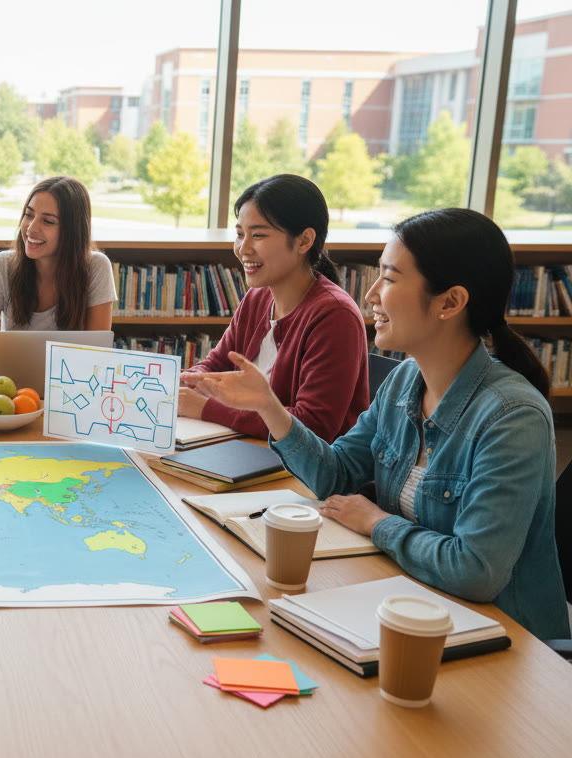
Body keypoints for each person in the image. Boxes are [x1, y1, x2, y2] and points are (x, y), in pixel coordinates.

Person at [182, 208, 569, 641]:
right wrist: (270, 408)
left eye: (389, 277)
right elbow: (337, 475)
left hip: (506, 638)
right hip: (411, 604)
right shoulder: (407, 379)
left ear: (450, 302)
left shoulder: (511, 417)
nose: (370, 295)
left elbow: (476, 570)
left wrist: (375, 522)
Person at [180, 174, 369, 442]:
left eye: (258, 235)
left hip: (305, 472)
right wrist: (185, 381)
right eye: (239, 234)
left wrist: (205, 408)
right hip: (248, 447)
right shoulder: (257, 297)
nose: (243, 248)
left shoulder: (335, 316)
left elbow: (314, 425)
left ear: (304, 241)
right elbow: (216, 364)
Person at [0, 176, 115, 369]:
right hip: (12, 393)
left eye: (48, 221)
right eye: (29, 215)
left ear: (73, 231)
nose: (31, 228)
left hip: (70, 388)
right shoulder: (1, 265)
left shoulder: (97, 267)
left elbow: (96, 358)